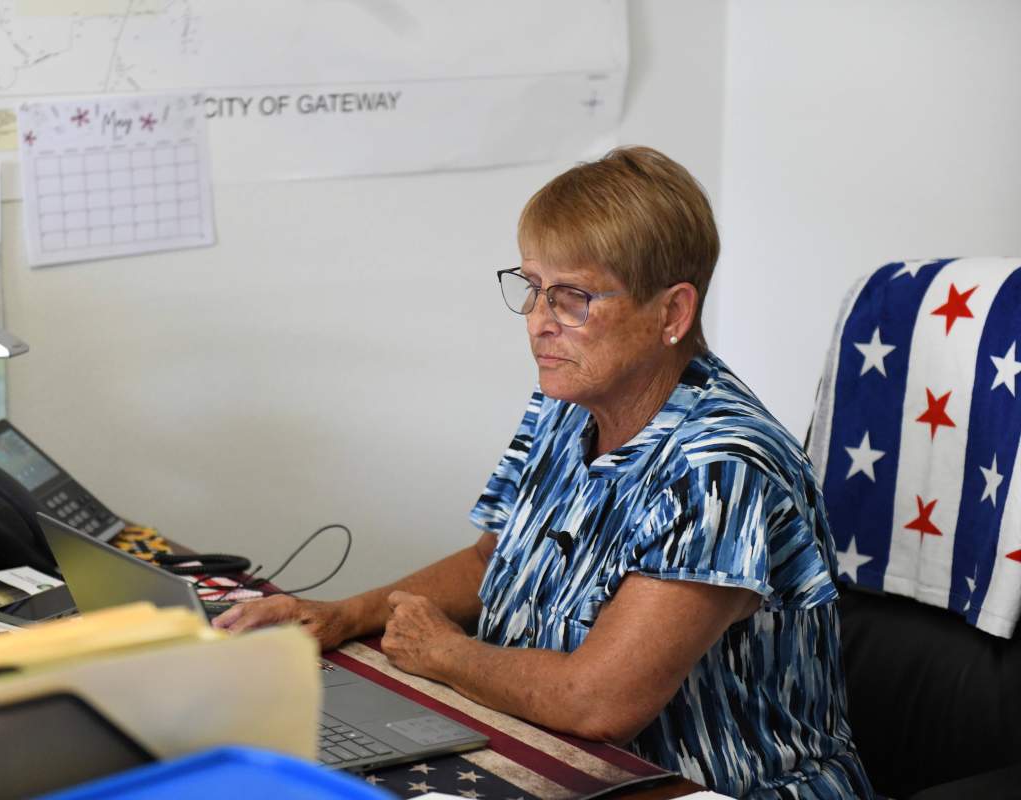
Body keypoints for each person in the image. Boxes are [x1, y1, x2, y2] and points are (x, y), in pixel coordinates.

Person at [214, 146, 873, 799]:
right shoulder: (569, 404)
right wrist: (343, 614)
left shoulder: (723, 468)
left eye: (571, 298)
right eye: (532, 288)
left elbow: (597, 702)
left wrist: (445, 653)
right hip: (550, 754)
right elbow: (492, 561)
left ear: (672, 313)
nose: (537, 323)